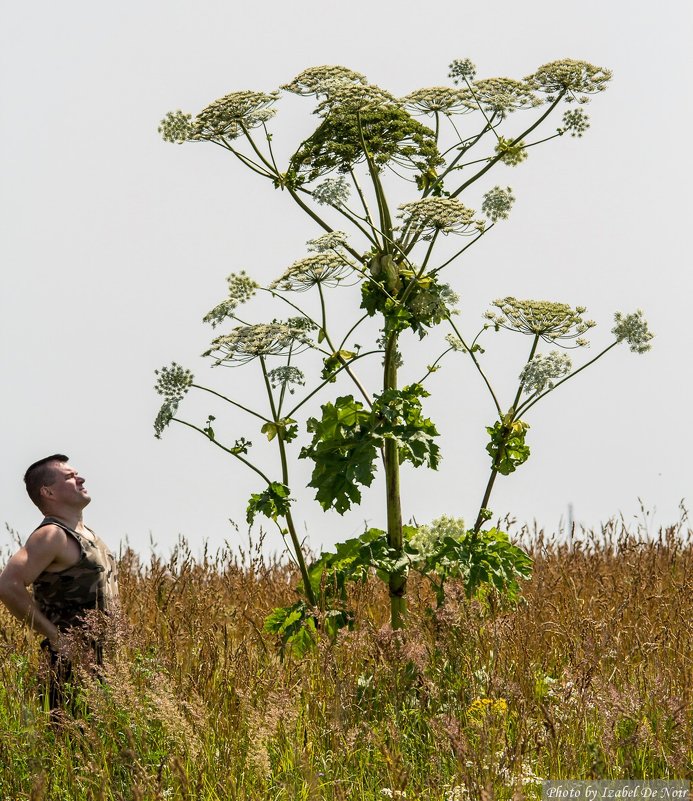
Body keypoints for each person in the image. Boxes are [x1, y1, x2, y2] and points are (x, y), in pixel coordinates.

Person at [0, 454, 118, 711]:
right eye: (69, 477)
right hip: (70, 668)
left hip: (106, 666)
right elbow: (8, 585)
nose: (81, 478)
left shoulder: (89, 536)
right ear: (48, 491)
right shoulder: (52, 535)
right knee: (72, 745)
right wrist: (55, 637)